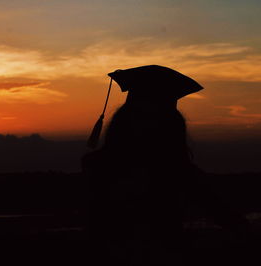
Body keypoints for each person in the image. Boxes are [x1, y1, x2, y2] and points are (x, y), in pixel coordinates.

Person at [82, 65, 249, 265]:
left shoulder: (97, 166)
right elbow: (216, 207)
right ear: (172, 127)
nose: (147, 127)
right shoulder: (176, 171)